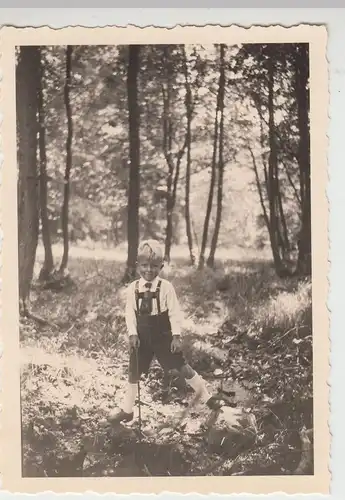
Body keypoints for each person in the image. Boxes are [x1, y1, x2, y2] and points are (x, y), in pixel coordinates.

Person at [108, 239, 241, 427]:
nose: (148, 270)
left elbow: (174, 313)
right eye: (144, 265)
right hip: (142, 338)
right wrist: (132, 334)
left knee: (183, 368)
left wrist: (176, 336)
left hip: (163, 336)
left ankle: (208, 398)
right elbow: (129, 312)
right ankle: (127, 411)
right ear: (138, 266)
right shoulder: (133, 288)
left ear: (161, 266)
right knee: (133, 373)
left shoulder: (166, 288)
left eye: (154, 266)